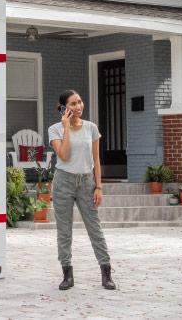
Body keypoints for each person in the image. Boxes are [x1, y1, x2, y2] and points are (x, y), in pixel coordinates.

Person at [48, 89, 116, 290]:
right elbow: (64, 155)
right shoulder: (55, 129)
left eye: (79, 102)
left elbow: (96, 159)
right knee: (64, 230)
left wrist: (99, 187)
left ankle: (106, 273)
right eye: (72, 104)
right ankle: (67, 274)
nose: (78, 107)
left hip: (87, 182)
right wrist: (66, 128)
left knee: (95, 228)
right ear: (63, 108)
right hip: (63, 182)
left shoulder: (91, 128)